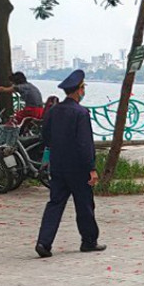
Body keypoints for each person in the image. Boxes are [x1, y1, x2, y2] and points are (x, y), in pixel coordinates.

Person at [35, 69, 105, 258]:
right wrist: (91, 168)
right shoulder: (81, 113)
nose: (83, 91)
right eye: (83, 88)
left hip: (58, 166)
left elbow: (45, 137)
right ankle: (89, 241)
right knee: (84, 205)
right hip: (78, 168)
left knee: (55, 203)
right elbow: (84, 144)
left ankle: (44, 242)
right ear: (78, 90)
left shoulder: (53, 111)